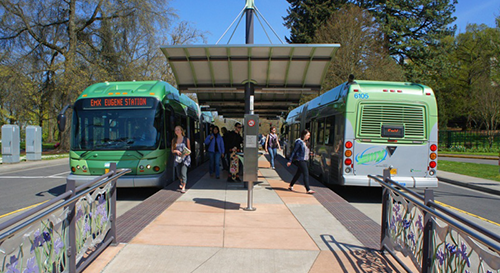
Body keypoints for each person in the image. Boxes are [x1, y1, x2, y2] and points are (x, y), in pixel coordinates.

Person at [286, 129, 315, 194]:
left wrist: (310, 153)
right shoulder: (299, 142)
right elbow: (294, 151)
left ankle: (291, 185)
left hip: (305, 159)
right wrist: (290, 161)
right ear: (304, 135)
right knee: (306, 173)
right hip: (300, 160)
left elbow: (305, 151)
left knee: (298, 174)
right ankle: (308, 189)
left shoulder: (306, 142)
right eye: (308, 135)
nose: (309, 136)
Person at [172, 125, 191, 193]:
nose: (177, 131)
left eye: (178, 130)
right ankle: (182, 182)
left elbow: (189, 149)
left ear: (181, 131)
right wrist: (176, 151)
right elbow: (172, 150)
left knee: (183, 172)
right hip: (177, 159)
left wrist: (185, 153)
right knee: (178, 174)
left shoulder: (186, 139)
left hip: (185, 159)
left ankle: (183, 186)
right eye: (175, 130)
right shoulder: (174, 140)